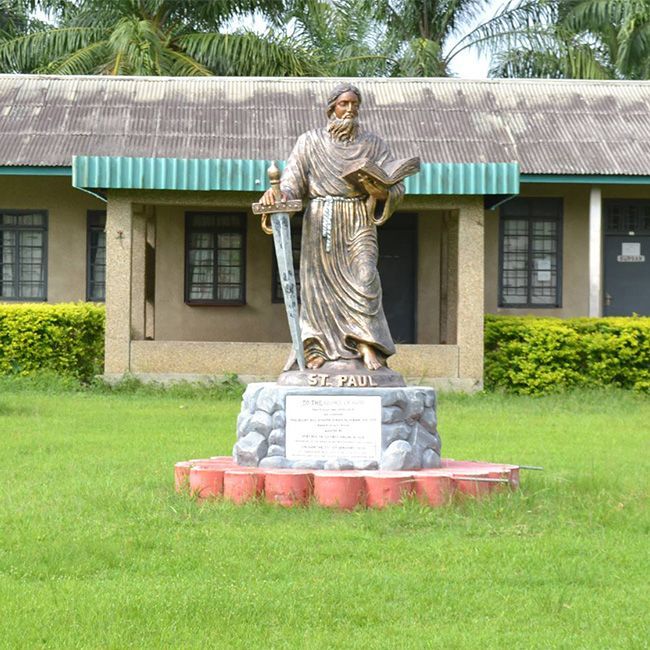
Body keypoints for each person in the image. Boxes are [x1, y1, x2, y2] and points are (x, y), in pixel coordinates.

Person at [260, 83, 404, 371]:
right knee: (318, 288)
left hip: (358, 217)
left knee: (365, 277)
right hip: (321, 219)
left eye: (354, 104)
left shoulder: (373, 144)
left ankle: (366, 344)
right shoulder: (310, 141)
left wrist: (383, 191)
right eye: (344, 104)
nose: (349, 110)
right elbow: (292, 183)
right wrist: (279, 194)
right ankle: (317, 348)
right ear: (331, 108)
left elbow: (394, 182)